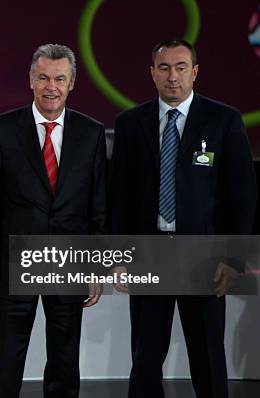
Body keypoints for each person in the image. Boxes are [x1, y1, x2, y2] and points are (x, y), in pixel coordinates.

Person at [110, 39, 256, 398]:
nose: (172, 76)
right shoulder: (130, 123)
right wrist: (119, 257)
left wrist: (233, 259)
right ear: (152, 73)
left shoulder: (223, 120)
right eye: (164, 68)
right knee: (145, 359)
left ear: (195, 71)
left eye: (180, 67)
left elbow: (242, 196)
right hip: (149, 254)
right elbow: (119, 197)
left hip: (205, 258)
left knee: (207, 356)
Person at [0, 43, 107, 398]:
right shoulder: (0, 130)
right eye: (43, 78)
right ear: (31, 80)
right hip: (15, 262)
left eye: (59, 78)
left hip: (69, 264)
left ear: (72, 83)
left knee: (65, 361)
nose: (51, 86)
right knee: (7, 359)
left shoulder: (91, 132)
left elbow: (97, 204)